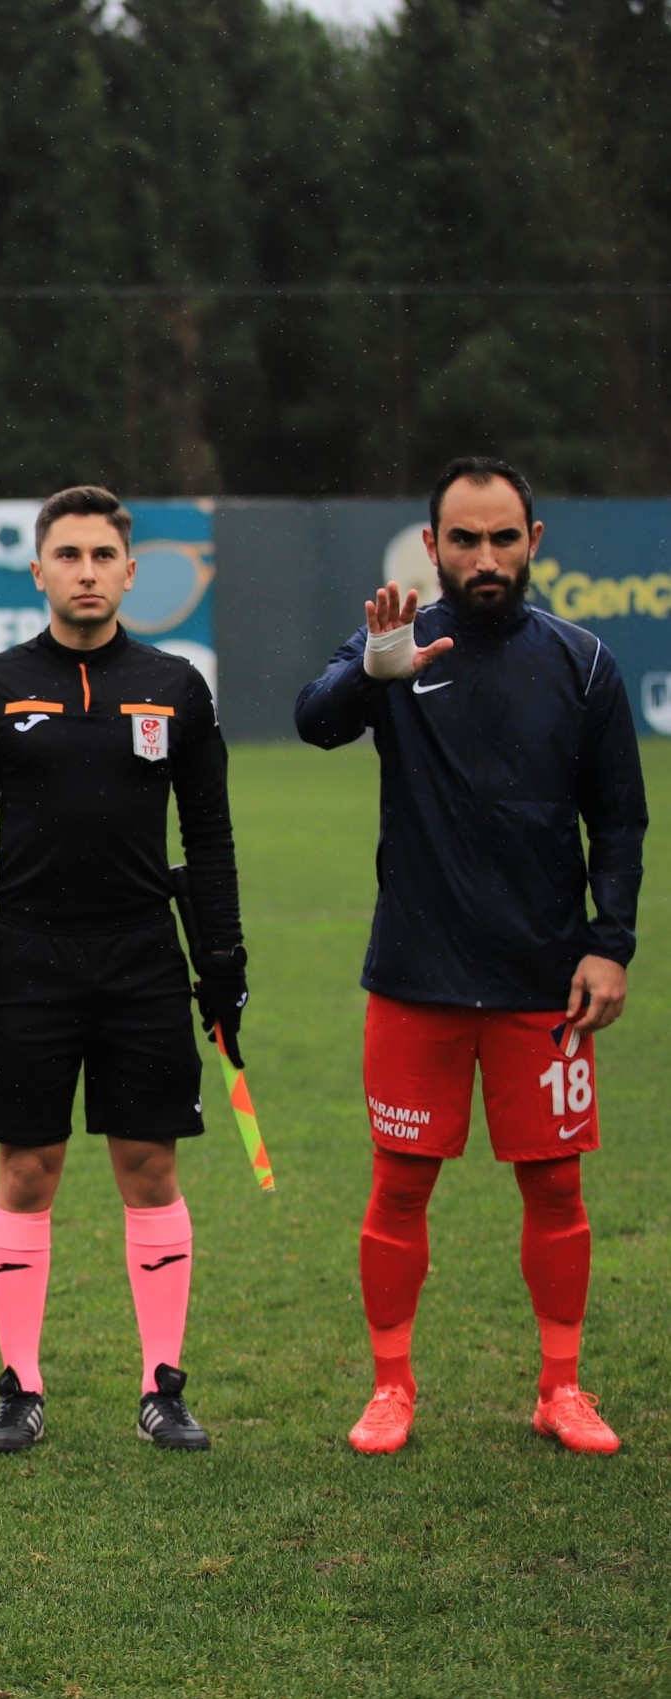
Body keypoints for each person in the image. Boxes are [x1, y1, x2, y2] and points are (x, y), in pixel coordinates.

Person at [295, 456, 647, 1456]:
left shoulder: (583, 663)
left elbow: (619, 819)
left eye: (503, 538)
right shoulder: (400, 645)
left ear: (534, 541)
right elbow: (314, 721)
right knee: (399, 1185)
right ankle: (392, 1388)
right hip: (415, 975)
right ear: (433, 543)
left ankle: (561, 1387)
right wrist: (373, 663)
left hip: (546, 985)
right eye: (464, 538)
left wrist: (608, 945)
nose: (484, 557)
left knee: (558, 1189)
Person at [0, 484, 244, 1455]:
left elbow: (211, 832)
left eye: (103, 555)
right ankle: (20, 1386)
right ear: (38, 571)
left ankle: (163, 1386)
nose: (86, 571)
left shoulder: (174, 685)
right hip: (28, 956)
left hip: (143, 958)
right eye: (67, 555)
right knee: (29, 1168)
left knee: (149, 1166)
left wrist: (224, 959)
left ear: (129, 570)